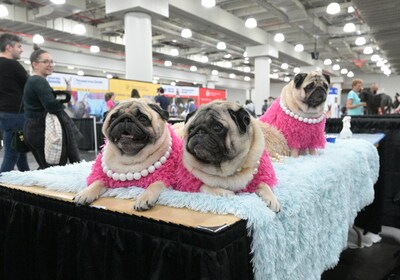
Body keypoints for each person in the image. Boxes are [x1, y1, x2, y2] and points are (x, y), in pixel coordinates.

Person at [23, 45, 81, 169]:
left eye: (51, 61)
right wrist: (60, 102)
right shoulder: (39, 81)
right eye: (45, 61)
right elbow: (51, 106)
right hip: (40, 129)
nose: (50, 64)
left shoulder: (32, 80)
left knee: (46, 167)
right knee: (52, 168)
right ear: (35, 64)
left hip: (33, 128)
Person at [0, 33, 30, 173]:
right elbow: (29, 85)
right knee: (11, 155)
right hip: (15, 114)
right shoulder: (13, 65)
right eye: (18, 46)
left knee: (20, 151)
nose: (21, 50)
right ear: (8, 47)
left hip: (5, 114)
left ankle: (27, 179)